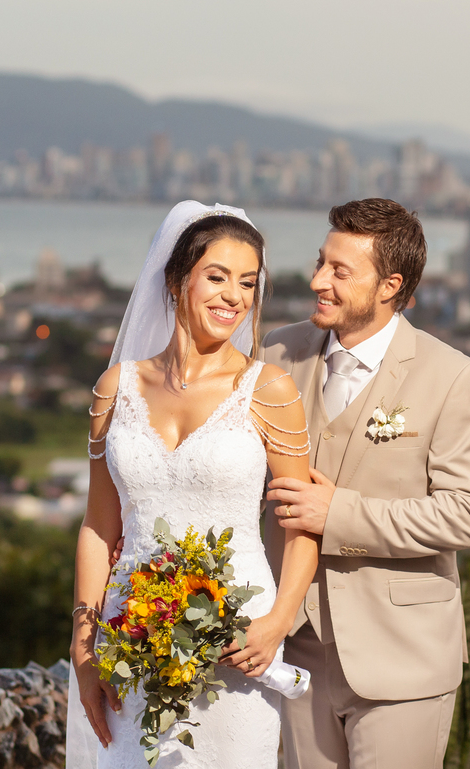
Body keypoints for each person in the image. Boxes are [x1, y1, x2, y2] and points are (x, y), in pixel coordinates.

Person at [66, 202, 318, 769]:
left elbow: (302, 521)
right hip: (131, 638)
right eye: (217, 277)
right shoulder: (115, 389)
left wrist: (276, 624)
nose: (234, 296)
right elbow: (96, 528)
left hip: (238, 641)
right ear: (178, 280)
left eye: (248, 282)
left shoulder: (268, 389)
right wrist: (84, 652)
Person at [261, 198, 470, 769]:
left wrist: (337, 514)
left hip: (403, 657)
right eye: (322, 262)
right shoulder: (273, 353)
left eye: (340, 272)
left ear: (390, 285)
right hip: (292, 651)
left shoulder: (454, 377)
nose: (318, 280)